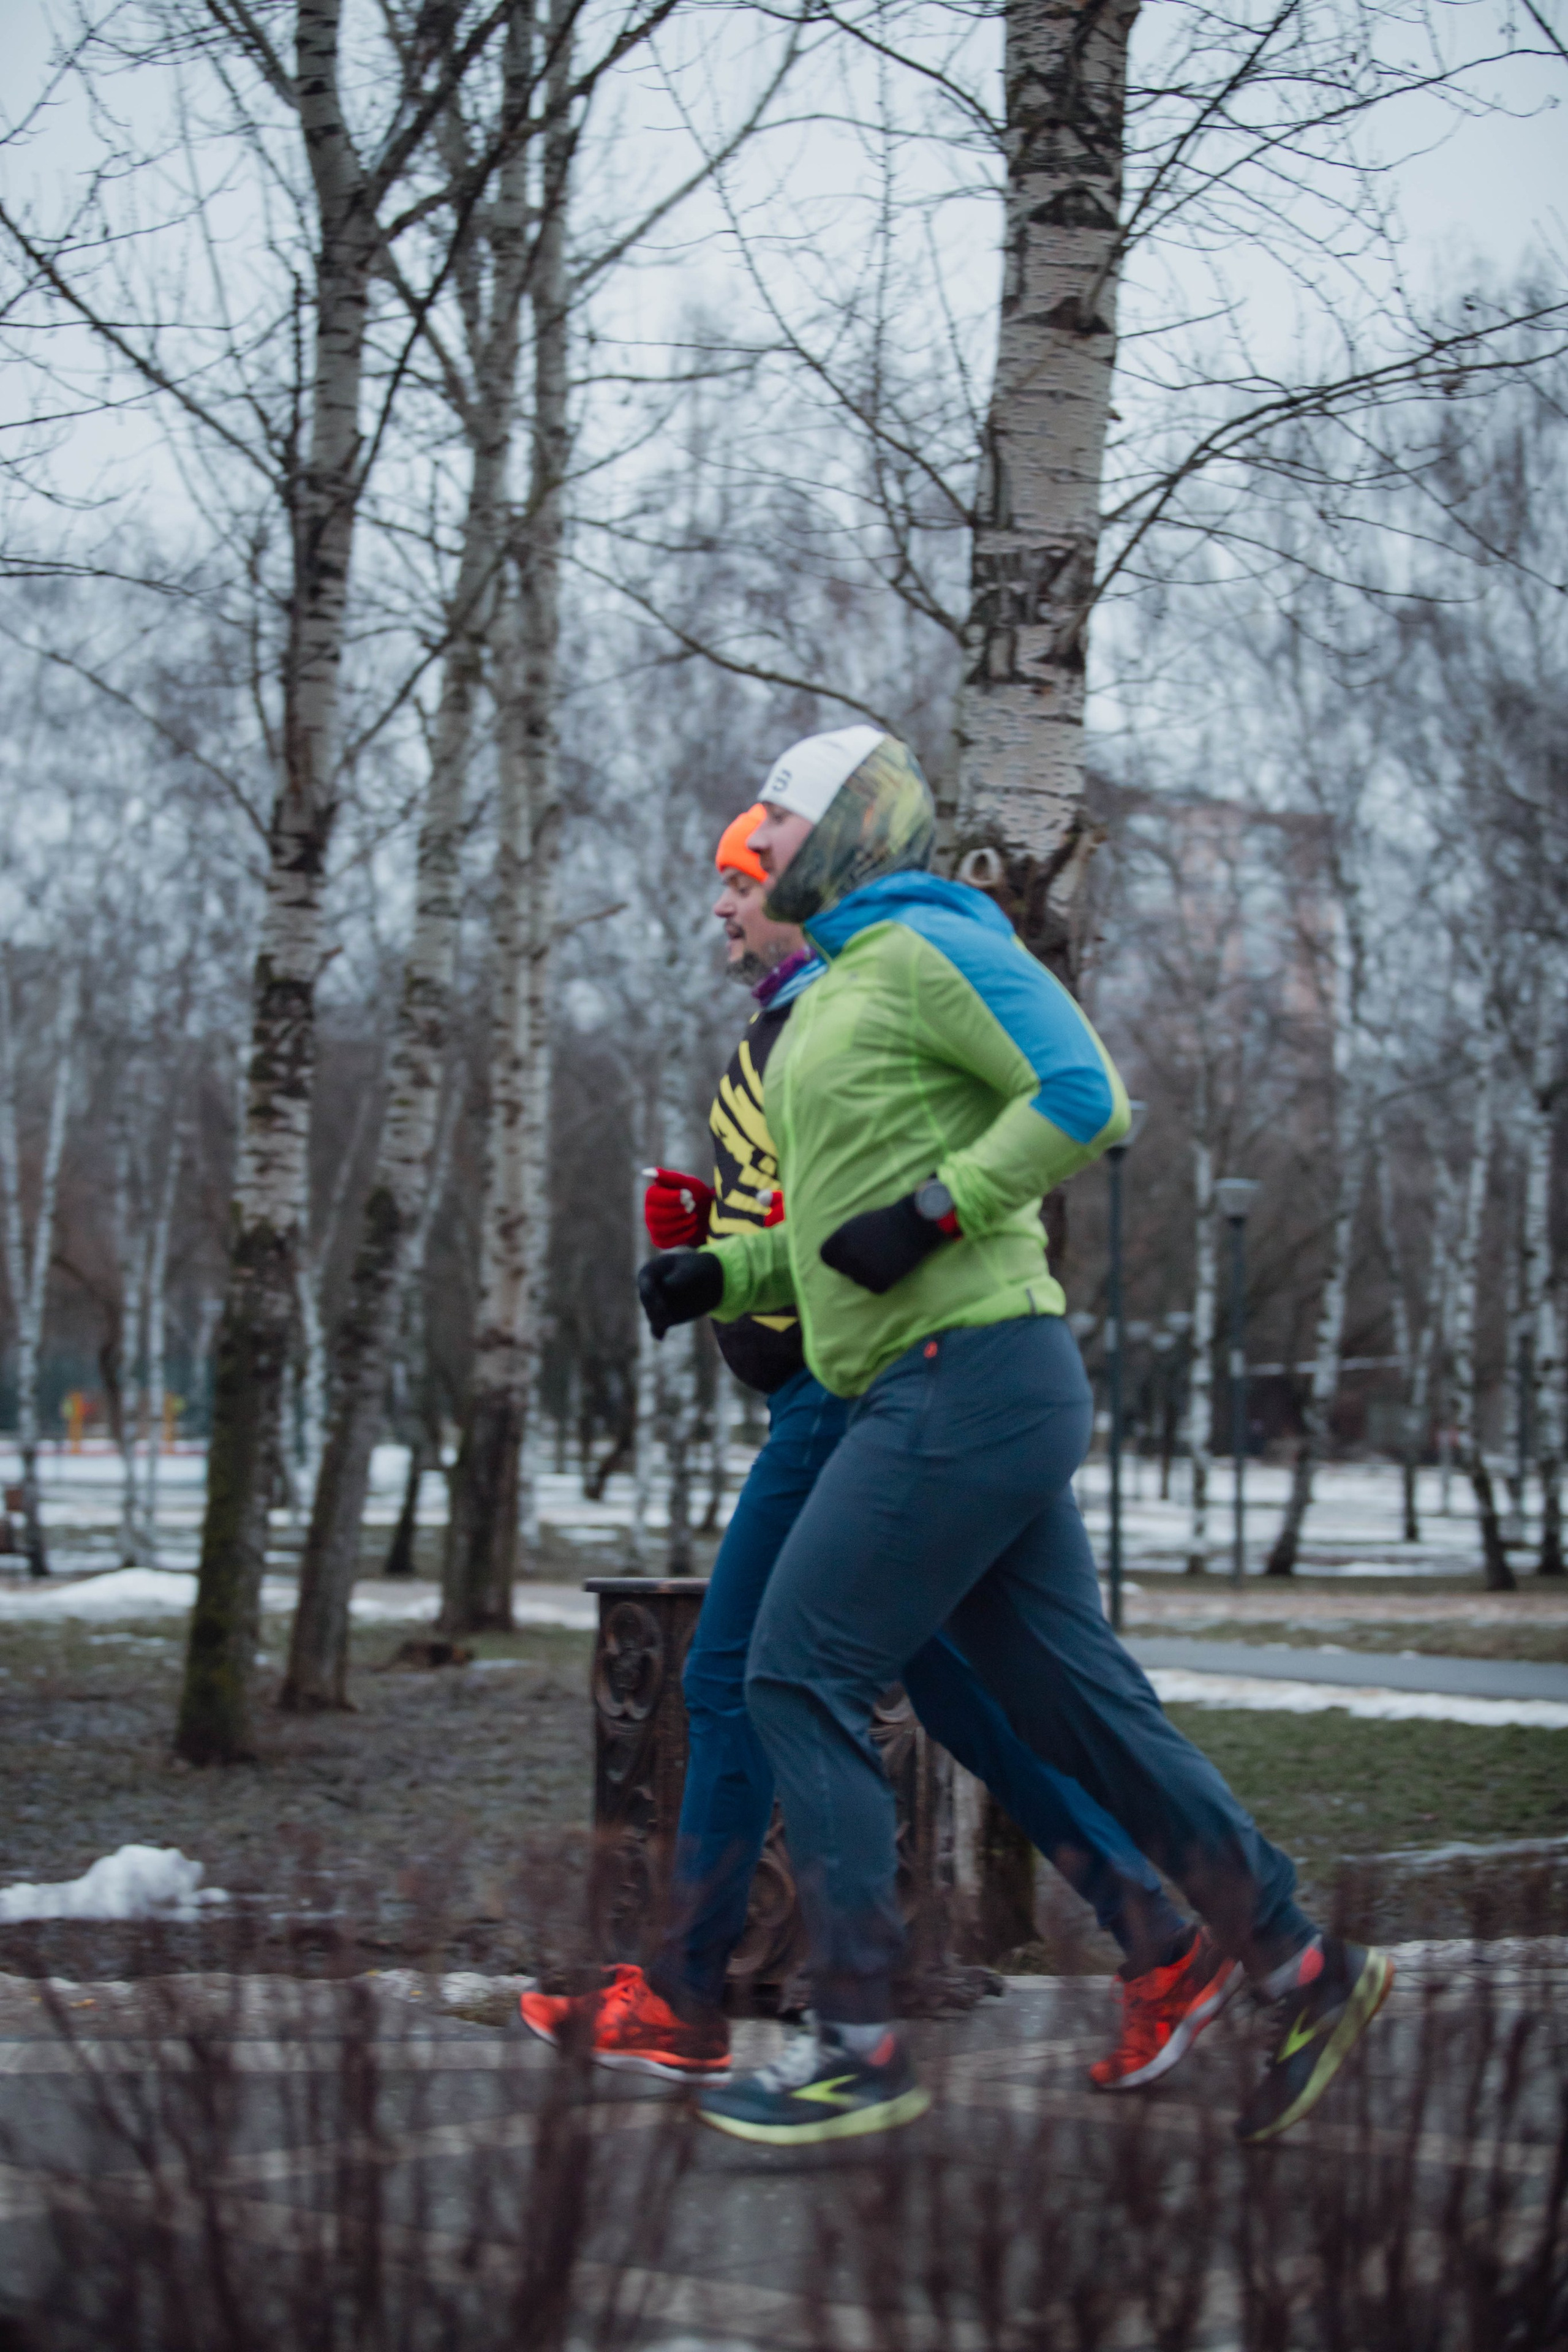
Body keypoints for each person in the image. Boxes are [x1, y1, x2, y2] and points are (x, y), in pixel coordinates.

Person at [636, 726, 1394, 2150]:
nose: (756, 849)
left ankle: (857, 2042)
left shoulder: (932, 946)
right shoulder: (843, 989)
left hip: (963, 1375)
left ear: (855, 830)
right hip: (933, 1385)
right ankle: (1304, 1968)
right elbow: (834, 1231)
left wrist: (936, 1209)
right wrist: (720, 1275)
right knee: (1079, 1713)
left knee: (795, 1672)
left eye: (777, 828)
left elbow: (1082, 1097)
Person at [522, 805, 1238, 2097]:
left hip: (868, 1398)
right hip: (865, 1392)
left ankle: (703, 2000)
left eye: (740, 880)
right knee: (973, 1700)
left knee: (745, 1671)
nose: (721, 907)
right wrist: (712, 1247)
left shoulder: (861, 996)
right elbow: (793, 1234)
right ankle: (1167, 1942)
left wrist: (846, 1241)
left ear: (805, 882)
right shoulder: (780, 1032)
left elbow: (1048, 1115)